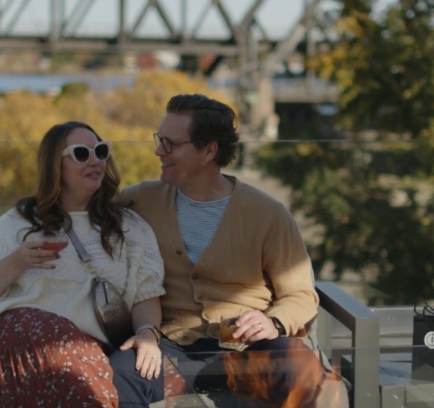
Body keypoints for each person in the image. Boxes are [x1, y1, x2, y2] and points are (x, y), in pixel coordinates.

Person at [0, 121, 167, 408]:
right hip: (14, 339)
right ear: (55, 166)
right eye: (81, 153)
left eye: (100, 151)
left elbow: (145, 294)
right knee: (53, 340)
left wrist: (147, 333)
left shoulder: (129, 228)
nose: (95, 161)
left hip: (78, 350)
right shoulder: (21, 222)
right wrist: (17, 262)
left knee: (66, 355)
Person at [110, 94, 326, 407]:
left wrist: (274, 322)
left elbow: (302, 295)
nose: (159, 151)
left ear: (209, 150)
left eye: (171, 144)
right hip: (170, 350)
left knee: (295, 368)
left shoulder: (268, 214)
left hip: (246, 352)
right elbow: (83, 218)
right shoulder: (139, 200)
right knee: (118, 374)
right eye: (160, 140)